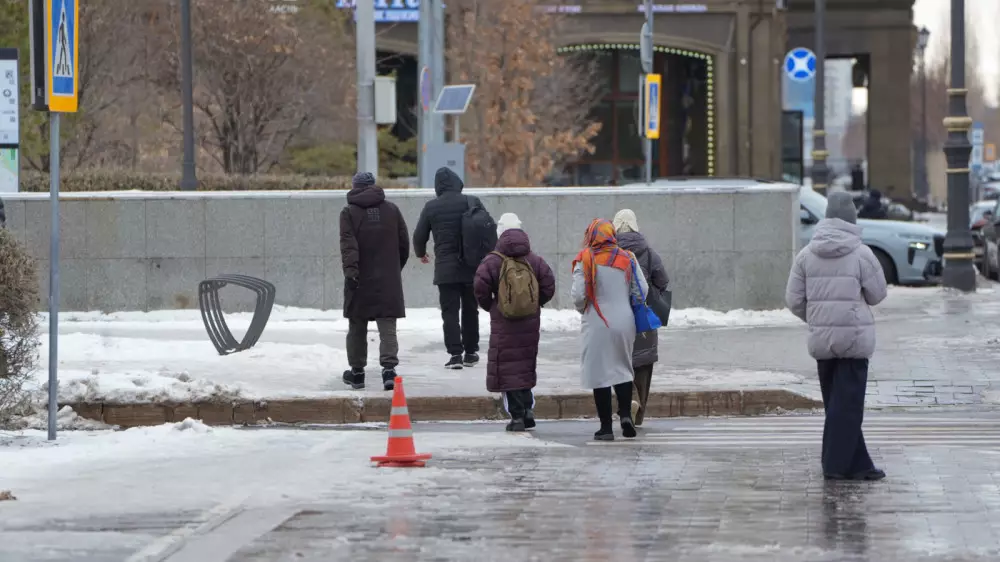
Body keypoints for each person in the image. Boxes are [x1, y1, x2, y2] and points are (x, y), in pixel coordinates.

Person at [785, 191, 888, 481]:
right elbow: (878, 294)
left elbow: (793, 300)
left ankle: (860, 464)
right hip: (855, 340)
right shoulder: (862, 254)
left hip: (823, 341)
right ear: (851, 219)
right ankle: (835, 465)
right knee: (848, 407)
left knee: (838, 405)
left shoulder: (806, 254)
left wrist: (818, 319)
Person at [473, 213, 556, 432]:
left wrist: (492, 306)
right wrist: (534, 304)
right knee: (524, 366)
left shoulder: (492, 260)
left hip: (504, 322)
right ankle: (528, 410)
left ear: (500, 233)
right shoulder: (534, 259)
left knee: (508, 367)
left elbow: (480, 287)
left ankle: (517, 416)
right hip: (530, 322)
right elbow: (549, 284)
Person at [572, 218, 648, 441]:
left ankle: (606, 428)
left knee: (600, 373)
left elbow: (578, 296)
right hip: (624, 320)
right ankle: (625, 415)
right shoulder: (626, 258)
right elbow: (641, 289)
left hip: (597, 320)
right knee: (622, 368)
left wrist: (583, 310)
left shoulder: (584, 259)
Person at [340, 172, 410, 391]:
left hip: (359, 276)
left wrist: (351, 273)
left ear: (355, 187)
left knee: (357, 324)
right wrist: (393, 269)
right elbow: (403, 244)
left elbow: (348, 246)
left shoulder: (349, 212)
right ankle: (389, 370)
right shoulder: (392, 210)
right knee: (387, 324)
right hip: (387, 277)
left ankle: (357, 373)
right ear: (373, 186)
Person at [413, 167, 488, 369]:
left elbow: (419, 236)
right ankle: (471, 352)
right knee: (471, 309)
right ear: (457, 183)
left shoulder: (431, 207)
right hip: (472, 266)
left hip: (446, 268)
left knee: (450, 312)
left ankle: (455, 354)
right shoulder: (472, 201)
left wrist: (421, 253)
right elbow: (486, 228)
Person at [612, 209, 670, 426]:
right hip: (643, 317)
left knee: (619, 363)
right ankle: (639, 413)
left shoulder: (610, 252)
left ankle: (629, 403)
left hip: (616, 316)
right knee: (643, 364)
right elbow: (663, 281)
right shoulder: (648, 253)